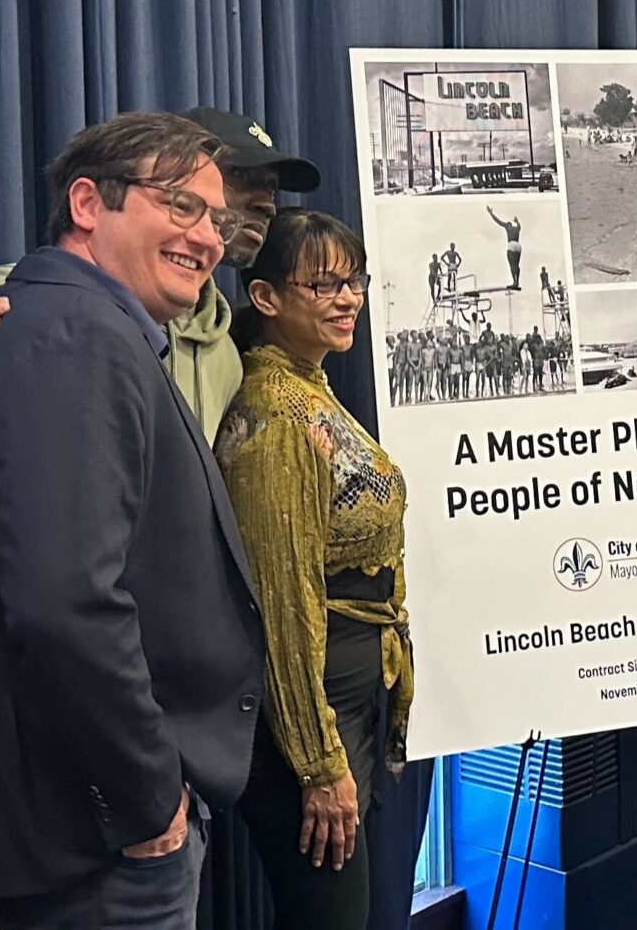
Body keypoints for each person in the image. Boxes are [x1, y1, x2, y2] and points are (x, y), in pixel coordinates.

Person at [0, 113, 266, 926]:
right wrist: (145, 796)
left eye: (217, 219)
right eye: (181, 206)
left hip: (50, 832)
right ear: (89, 203)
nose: (207, 237)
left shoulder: (44, 324)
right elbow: (65, 602)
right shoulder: (78, 337)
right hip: (86, 846)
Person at [0, 106, 320, 458]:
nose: (262, 201)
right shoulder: (19, 299)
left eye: (271, 188)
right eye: (241, 180)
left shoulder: (224, 353)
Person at [215, 210, 412, 930]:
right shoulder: (275, 416)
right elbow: (281, 604)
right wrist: (318, 764)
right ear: (266, 297)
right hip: (309, 728)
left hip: (346, 710)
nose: (348, 297)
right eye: (324, 283)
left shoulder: (311, 386)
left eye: (354, 280)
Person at [487, 206, 523, 289]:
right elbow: (519, 226)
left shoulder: (507, 226)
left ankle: (514, 281)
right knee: (516, 265)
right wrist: (517, 222)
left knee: (512, 265)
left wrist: (491, 213)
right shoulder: (516, 228)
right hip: (519, 245)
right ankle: (517, 281)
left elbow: (498, 221)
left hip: (512, 245)